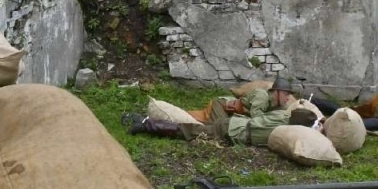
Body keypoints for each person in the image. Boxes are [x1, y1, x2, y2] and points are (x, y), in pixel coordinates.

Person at [125, 78, 317, 144]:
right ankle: (146, 123)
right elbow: (258, 120)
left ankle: (148, 122)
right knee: (199, 130)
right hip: (224, 108)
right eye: (286, 94)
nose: (287, 98)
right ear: (277, 91)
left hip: (233, 121)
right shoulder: (262, 97)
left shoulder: (278, 107)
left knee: (198, 127)